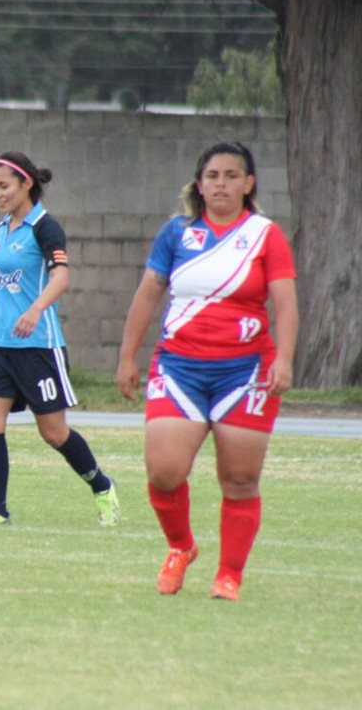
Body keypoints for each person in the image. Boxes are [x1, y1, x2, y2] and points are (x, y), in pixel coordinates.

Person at [117, 141, 297, 601]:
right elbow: (147, 295)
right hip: (179, 368)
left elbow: (284, 300)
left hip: (245, 371)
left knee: (239, 479)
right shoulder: (176, 233)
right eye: (213, 175)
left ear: (248, 183)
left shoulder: (264, 234)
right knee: (164, 472)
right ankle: (181, 547)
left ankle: (229, 575)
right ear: (199, 184)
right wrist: (127, 358)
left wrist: (285, 358)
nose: (221, 183)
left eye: (231, 175)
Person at [0, 152, 120, 527]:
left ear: (26, 184)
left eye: (4, 186)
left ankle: (102, 486)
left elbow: (61, 277)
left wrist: (34, 311)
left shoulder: (45, 227)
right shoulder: (3, 228)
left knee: (53, 432)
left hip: (38, 345)